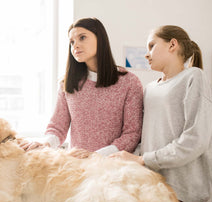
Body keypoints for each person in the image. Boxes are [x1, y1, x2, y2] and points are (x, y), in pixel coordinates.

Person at [109, 25, 212, 202]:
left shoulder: (194, 77)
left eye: (151, 46)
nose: (146, 54)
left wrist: (143, 160)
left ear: (172, 44)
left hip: (184, 193)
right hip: (152, 189)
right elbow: (147, 138)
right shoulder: (150, 89)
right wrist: (135, 159)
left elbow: (195, 140)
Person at [21, 17, 143, 156]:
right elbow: (58, 128)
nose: (75, 45)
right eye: (72, 42)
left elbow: (132, 134)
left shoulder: (129, 82)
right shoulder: (67, 84)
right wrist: (45, 142)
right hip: (78, 168)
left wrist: (97, 155)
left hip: (114, 169)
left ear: (100, 39)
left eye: (82, 38)